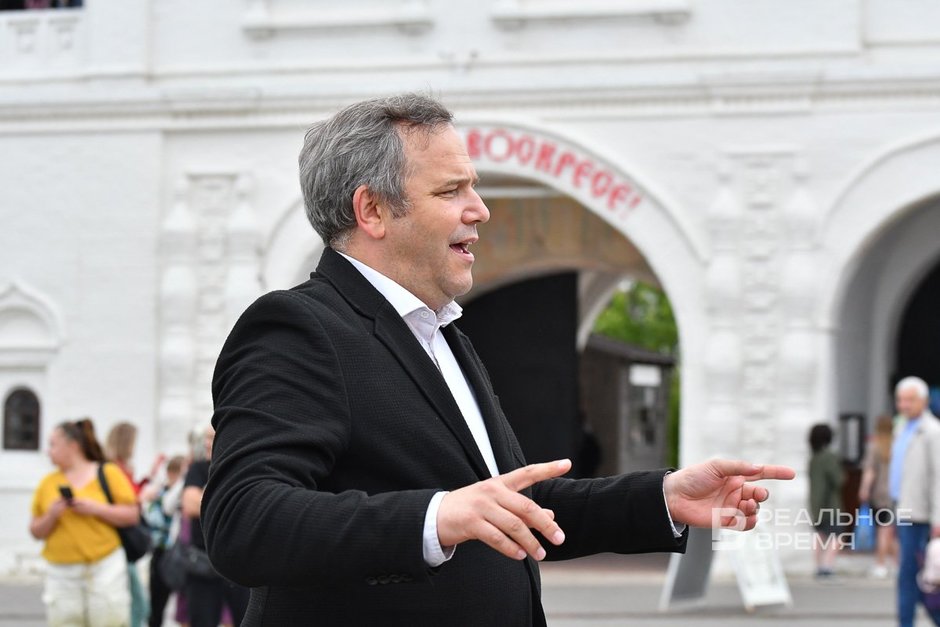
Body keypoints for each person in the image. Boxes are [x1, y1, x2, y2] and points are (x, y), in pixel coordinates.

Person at [200, 93, 795, 626]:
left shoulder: (441, 333)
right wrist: (436, 518)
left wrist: (661, 498)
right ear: (372, 211)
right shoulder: (297, 328)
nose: (480, 209)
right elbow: (242, 520)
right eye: (450, 190)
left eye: (474, 187)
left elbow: (511, 507)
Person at [29, 418, 140, 626]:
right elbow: (35, 531)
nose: (48, 451)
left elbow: (132, 514)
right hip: (61, 573)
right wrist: (51, 515)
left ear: (72, 446)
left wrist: (96, 508)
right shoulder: (47, 483)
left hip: (104, 568)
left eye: (53, 444)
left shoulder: (107, 472)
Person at [182, 427, 249, 627]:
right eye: (206, 438)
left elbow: (250, 507)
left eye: (212, 438)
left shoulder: (242, 469)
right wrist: (231, 501)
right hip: (203, 563)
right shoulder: (198, 469)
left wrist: (206, 499)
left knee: (246, 620)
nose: (206, 443)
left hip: (239, 563)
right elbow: (189, 505)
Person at [890, 376, 940, 627]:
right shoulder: (901, 428)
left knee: (913, 577)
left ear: (923, 401)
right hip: (903, 511)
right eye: (900, 400)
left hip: (920, 516)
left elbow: (939, 477)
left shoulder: (932, 431)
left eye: (909, 400)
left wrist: (938, 518)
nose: (904, 405)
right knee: (914, 576)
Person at [106, 421, 160, 627]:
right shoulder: (114, 469)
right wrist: (142, 497)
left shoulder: (119, 467)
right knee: (138, 605)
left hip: (123, 544)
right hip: (121, 543)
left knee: (136, 603)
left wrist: (149, 476)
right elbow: (125, 500)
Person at [141, 454, 186, 627]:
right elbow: (162, 512)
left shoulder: (174, 492)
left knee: (175, 603)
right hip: (162, 551)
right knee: (157, 603)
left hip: (173, 552)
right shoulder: (163, 492)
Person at [859, 413, 897, 578]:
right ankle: (898, 564)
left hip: (879, 494)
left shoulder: (874, 446)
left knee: (882, 530)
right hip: (895, 494)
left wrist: (864, 489)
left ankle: (881, 564)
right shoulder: (897, 445)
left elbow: (870, 471)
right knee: (890, 530)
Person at [808, 423, 844, 578]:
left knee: (820, 534)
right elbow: (838, 479)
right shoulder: (829, 457)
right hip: (830, 504)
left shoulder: (813, 458)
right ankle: (827, 566)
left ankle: (818, 566)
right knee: (837, 535)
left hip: (815, 504)